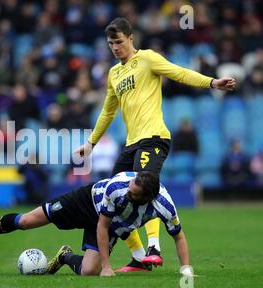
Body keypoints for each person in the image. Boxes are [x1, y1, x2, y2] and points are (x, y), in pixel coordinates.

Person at [74, 17, 236, 272]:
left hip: (155, 137)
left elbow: (179, 72)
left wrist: (211, 83)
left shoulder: (148, 58)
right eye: (110, 43)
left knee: (144, 181)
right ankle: (139, 256)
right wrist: (91, 143)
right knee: (117, 196)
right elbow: (107, 112)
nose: (115, 47)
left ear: (130, 38)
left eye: (118, 42)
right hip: (130, 143)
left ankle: (153, 247)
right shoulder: (114, 73)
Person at [0, 171, 194, 277]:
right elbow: (102, 224)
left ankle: (64, 257)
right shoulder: (118, 189)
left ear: (147, 198)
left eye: (134, 194)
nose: (129, 193)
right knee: (27, 221)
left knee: (88, 271)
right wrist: (107, 267)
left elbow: (179, 236)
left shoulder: (164, 206)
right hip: (85, 201)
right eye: (130, 187)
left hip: (108, 222)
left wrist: (185, 269)